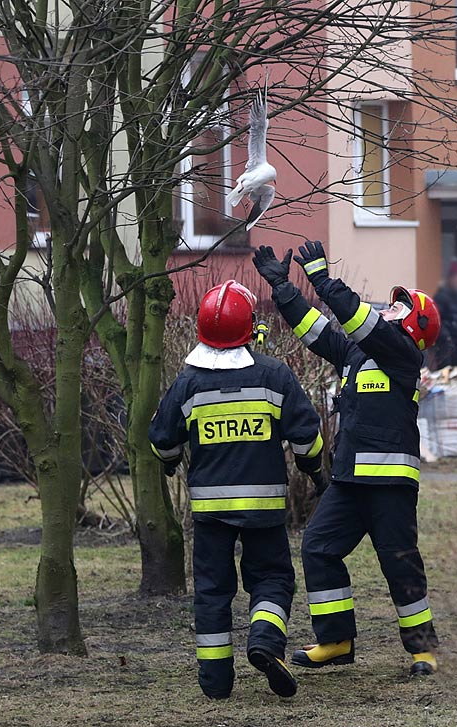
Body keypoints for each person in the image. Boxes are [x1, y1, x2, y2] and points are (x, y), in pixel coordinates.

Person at [252, 242, 441, 677]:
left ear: (414, 326)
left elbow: (362, 321)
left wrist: (321, 279)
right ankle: (335, 641)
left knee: (399, 562)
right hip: (350, 479)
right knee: (318, 547)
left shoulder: (403, 353)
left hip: (391, 483)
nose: (389, 310)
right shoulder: (359, 353)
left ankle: (423, 650)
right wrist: (283, 288)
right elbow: (315, 329)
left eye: (399, 308)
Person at [148, 280, 325, 700]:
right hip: (264, 509)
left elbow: (161, 441)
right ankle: (264, 640)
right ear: (250, 329)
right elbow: (307, 437)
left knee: (211, 591)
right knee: (272, 579)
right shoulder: (274, 375)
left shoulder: (188, 382)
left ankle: (215, 683)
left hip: (210, 513)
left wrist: (172, 461)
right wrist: (314, 470)